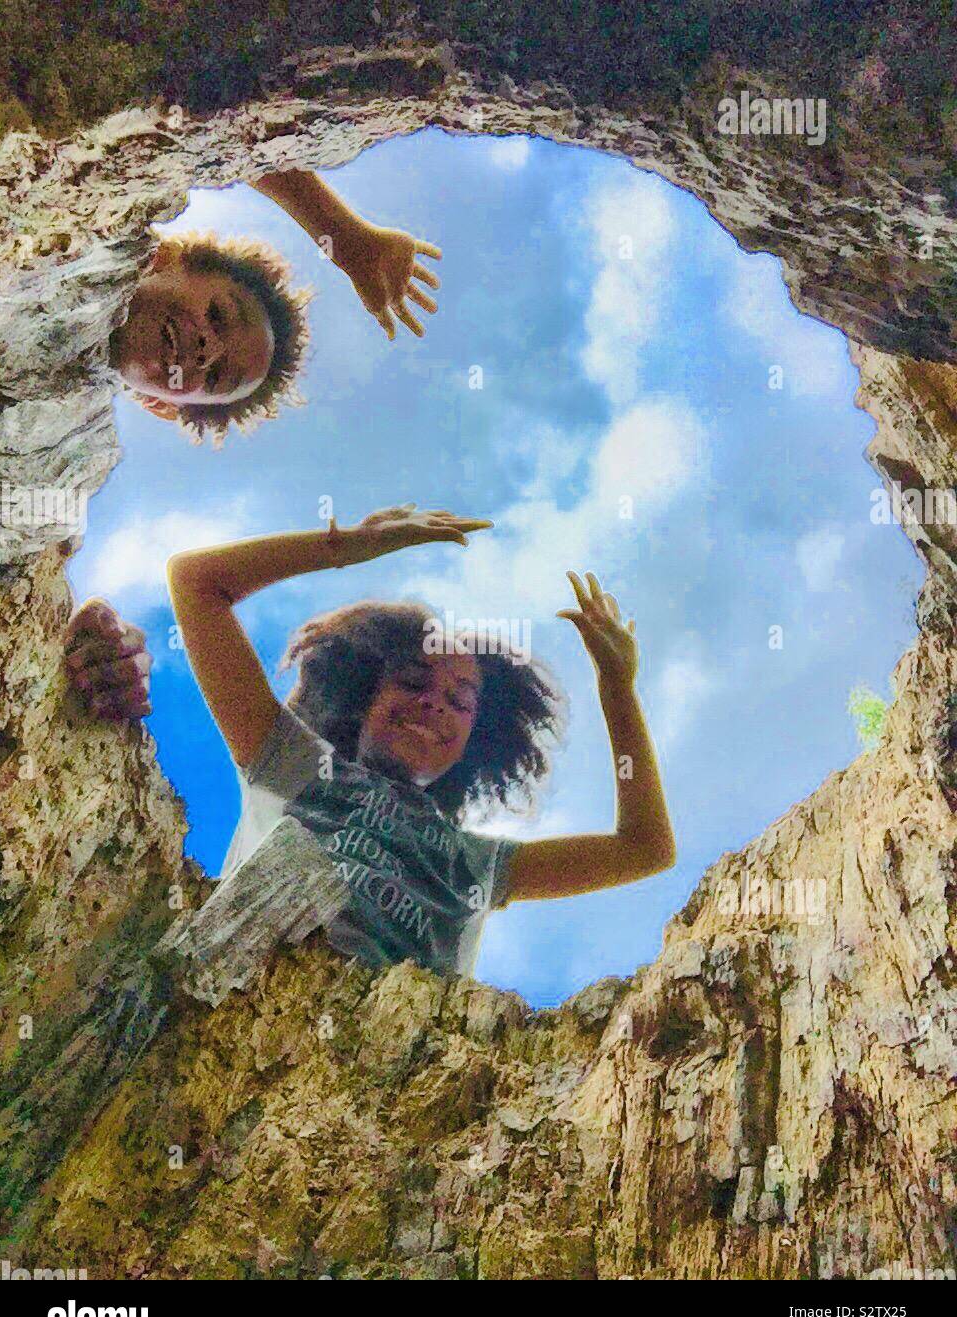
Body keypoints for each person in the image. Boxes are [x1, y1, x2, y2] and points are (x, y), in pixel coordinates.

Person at [65, 505, 676, 976]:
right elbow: (196, 583)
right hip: (241, 1018)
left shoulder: (475, 863)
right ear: (363, 697)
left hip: (380, 1084)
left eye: (460, 703)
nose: (434, 702)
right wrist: (350, 545)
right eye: (413, 681)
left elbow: (644, 848)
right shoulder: (294, 765)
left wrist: (617, 686)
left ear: (473, 743)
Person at [108, 170, 442, 445]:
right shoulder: (108, 220)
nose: (207, 350)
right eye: (217, 316)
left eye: (215, 377)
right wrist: (345, 235)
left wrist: (347, 531)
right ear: (166, 257)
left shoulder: (72, 411)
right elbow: (221, 122)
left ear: (161, 405)